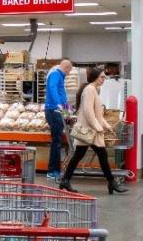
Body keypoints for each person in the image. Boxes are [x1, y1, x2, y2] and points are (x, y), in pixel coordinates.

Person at [58, 67, 129, 195]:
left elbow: (98, 114)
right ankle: (111, 183)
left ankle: (65, 180)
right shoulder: (90, 90)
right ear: (95, 77)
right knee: (100, 155)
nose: (104, 79)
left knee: (80, 156)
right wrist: (98, 127)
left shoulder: (94, 90)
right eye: (102, 77)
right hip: (89, 131)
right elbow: (88, 111)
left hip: (89, 131)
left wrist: (106, 126)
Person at [44, 59, 73, 179]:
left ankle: (56, 169)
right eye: (69, 71)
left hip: (57, 110)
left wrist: (68, 112)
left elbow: (62, 94)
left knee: (58, 141)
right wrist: (59, 106)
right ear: (66, 67)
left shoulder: (59, 75)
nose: (69, 73)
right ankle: (52, 171)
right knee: (56, 141)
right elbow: (53, 89)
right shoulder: (56, 74)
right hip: (54, 110)